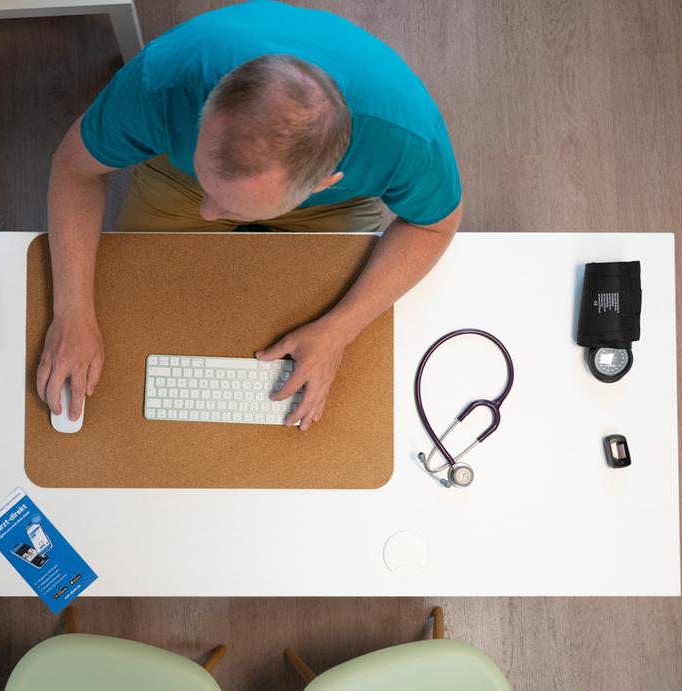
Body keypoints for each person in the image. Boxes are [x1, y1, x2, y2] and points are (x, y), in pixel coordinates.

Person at [36, 1, 462, 431]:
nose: (207, 216)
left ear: (322, 182)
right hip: (178, 175)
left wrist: (341, 329)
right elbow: (74, 168)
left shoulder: (406, 139)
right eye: (213, 191)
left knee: (329, 319)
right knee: (139, 293)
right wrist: (72, 312)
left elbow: (435, 225)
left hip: (336, 207)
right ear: (206, 114)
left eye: (232, 210)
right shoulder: (160, 83)